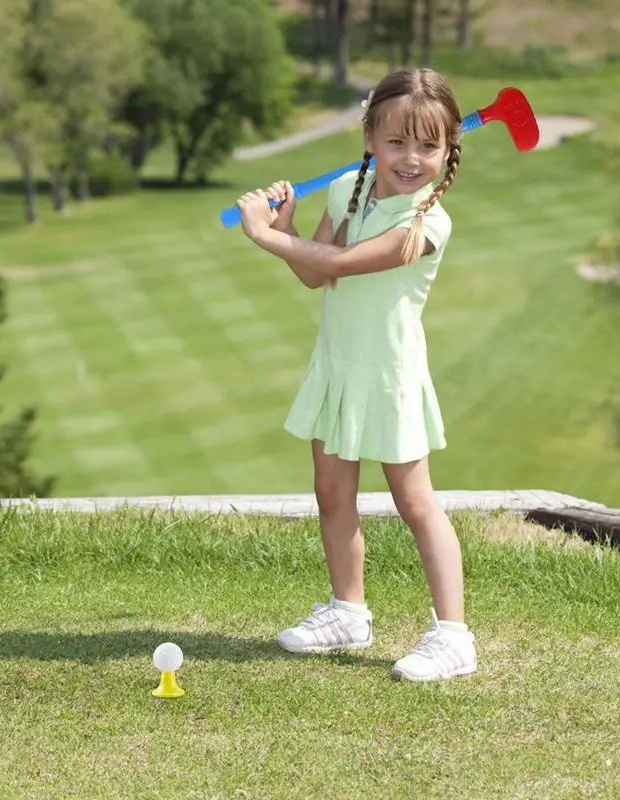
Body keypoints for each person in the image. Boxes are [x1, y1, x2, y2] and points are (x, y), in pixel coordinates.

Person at [234, 67, 476, 682]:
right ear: (369, 137)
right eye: (397, 141)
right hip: (338, 363)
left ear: (449, 150)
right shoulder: (345, 189)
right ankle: (348, 611)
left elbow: (344, 260)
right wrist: (288, 229)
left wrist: (265, 237)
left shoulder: (426, 225)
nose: (412, 158)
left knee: (415, 501)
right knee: (332, 493)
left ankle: (453, 636)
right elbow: (319, 273)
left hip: (390, 374)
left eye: (428, 145)